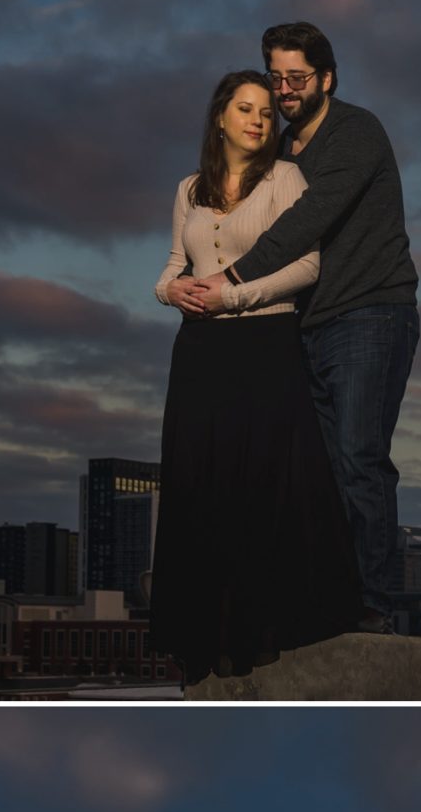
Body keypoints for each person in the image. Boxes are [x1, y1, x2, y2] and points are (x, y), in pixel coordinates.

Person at [190, 21, 420, 632]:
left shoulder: (356, 132)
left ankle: (373, 604)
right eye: (276, 77)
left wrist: (230, 279)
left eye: (298, 77)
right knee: (316, 472)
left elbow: (307, 221)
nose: (285, 89)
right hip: (305, 325)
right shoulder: (281, 152)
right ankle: (328, 599)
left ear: (327, 79)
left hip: (371, 313)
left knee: (359, 458)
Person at [151, 69, 363, 683]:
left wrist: (233, 297)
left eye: (268, 113)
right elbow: (173, 264)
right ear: (221, 117)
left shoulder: (285, 179)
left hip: (265, 345)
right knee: (201, 482)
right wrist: (170, 292)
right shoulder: (189, 188)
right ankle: (204, 635)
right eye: (246, 109)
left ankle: (258, 628)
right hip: (198, 351)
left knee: (259, 482)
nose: (259, 121)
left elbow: (307, 266)